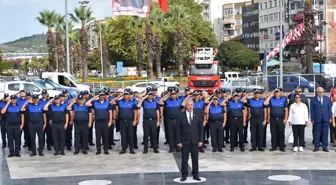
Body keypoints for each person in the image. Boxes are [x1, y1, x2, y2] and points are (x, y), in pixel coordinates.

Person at [176, 99, 203, 182]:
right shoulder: (180, 115)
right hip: (184, 141)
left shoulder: (198, 114)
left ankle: (195, 174)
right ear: (185, 106)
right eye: (189, 105)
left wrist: (201, 140)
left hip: (195, 141)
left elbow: (201, 129)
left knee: (195, 159)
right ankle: (184, 175)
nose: (190, 106)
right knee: (184, 159)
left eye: (191, 105)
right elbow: (177, 130)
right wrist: (178, 141)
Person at [113, 89, 138, 154]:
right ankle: (123, 148)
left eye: (127, 94)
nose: (126, 95)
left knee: (130, 135)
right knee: (123, 135)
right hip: (122, 121)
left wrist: (135, 120)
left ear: (129, 95)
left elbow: (135, 112)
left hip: (130, 121)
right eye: (125, 94)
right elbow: (111, 102)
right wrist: (119, 96)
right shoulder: (120, 101)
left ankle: (131, 149)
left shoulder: (133, 102)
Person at [159, 87, 183, 153]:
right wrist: (167, 95)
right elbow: (160, 102)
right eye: (172, 94)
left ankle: (178, 147)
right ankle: (171, 147)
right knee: (170, 134)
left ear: (176, 94)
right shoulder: (167, 101)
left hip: (178, 120)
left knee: (178, 134)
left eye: (174, 94)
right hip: (170, 120)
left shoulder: (180, 100)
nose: (173, 95)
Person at [311, 87, 332, 152]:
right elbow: (312, 110)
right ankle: (316, 146)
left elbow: (329, 109)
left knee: (325, 133)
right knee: (317, 133)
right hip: (317, 119)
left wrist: (330, 117)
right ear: (317, 92)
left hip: (326, 118)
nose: (321, 93)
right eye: (319, 92)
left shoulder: (327, 99)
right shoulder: (313, 99)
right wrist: (312, 118)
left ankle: (325, 147)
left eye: (322, 92)